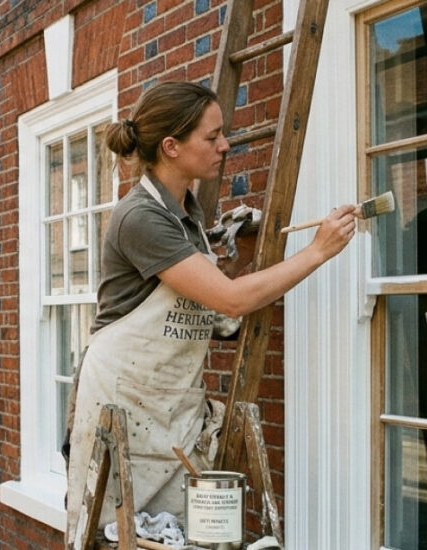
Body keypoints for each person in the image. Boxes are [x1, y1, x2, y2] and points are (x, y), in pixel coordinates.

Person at [64, 81, 357, 543]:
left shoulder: (190, 216)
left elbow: (209, 306)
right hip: (123, 405)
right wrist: (318, 252)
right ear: (171, 147)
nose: (225, 145)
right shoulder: (140, 217)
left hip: (173, 406)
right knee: (116, 536)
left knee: (182, 536)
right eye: (212, 136)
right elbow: (230, 299)